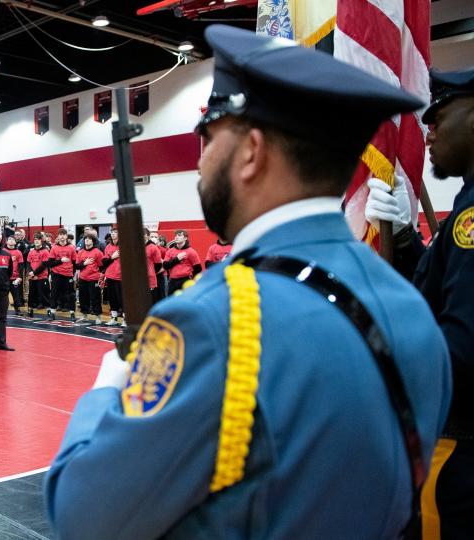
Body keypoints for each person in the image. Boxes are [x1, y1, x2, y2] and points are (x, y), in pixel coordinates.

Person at [45, 25, 452, 539]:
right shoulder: (410, 304)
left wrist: (108, 389)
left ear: (252, 151)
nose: (198, 164)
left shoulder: (211, 319)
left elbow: (83, 517)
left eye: (208, 138)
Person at [366, 67, 474, 537]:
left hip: (461, 445)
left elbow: (461, 350)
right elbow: (443, 289)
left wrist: (376, 359)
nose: (428, 132)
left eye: (440, 117)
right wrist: (408, 241)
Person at [44, 228, 76, 322]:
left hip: (68, 275)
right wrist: (60, 261)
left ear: (66, 236)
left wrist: (72, 273)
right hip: (56, 274)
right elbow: (50, 263)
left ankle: (72, 313)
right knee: (54, 294)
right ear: (58, 236)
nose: (62, 236)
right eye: (60, 235)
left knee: (70, 295)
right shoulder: (54, 247)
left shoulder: (71, 247)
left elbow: (75, 262)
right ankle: (52, 313)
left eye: (64, 234)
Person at [74, 235, 104, 324]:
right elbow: (77, 266)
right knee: (83, 298)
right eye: (85, 239)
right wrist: (85, 263)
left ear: (93, 241)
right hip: (83, 278)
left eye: (89, 239)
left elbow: (101, 265)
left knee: (95, 298)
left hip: (94, 278)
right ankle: (84, 316)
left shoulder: (97, 252)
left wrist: (101, 277)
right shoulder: (80, 252)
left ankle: (98, 316)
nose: (86, 240)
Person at [163, 230, 202, 294]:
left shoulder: (191, 251)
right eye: (175, 236)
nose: (176, 237)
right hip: (173, 281)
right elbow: (165, 266)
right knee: (172, 302)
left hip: (186, 280)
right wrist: (177, 259)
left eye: (179, 235)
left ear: (185, 238)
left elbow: (198, 268)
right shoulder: (170, 251)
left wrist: (193, 281)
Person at [26, 232, 51, 317]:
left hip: (42, 277)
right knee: (32, 295)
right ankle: (30, 311)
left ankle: (49, 311)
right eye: (35, 239)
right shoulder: (31, 252)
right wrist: (31, 272)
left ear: (42, 240)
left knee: (44, 295)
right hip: (32, 277)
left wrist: (34, 273)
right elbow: (28, 263)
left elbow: (44, 265)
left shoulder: (45, 251)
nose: (36, 241)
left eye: (38, 239)